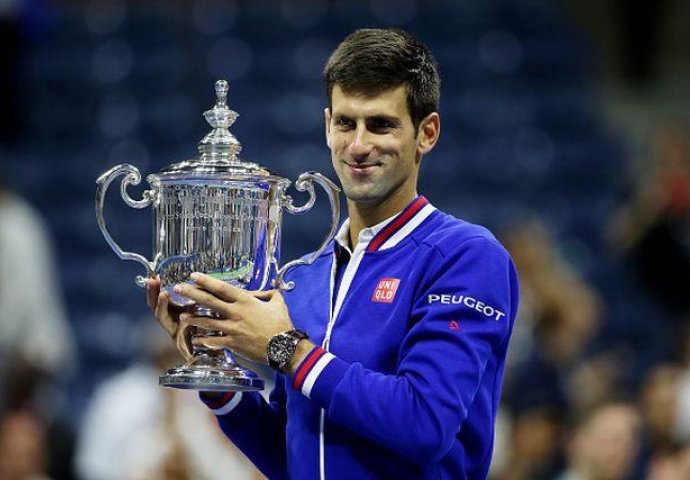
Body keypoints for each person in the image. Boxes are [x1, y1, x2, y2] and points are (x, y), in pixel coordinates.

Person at [148, 28, 519, 479]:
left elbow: (425, 423)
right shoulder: (307, 274)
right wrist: (215, 370)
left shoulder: (466, 258)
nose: (358, 146)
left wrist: (287, 350)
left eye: (380, 124)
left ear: (427, 133)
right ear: (327, 126)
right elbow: (294, 457)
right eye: (346, 123)